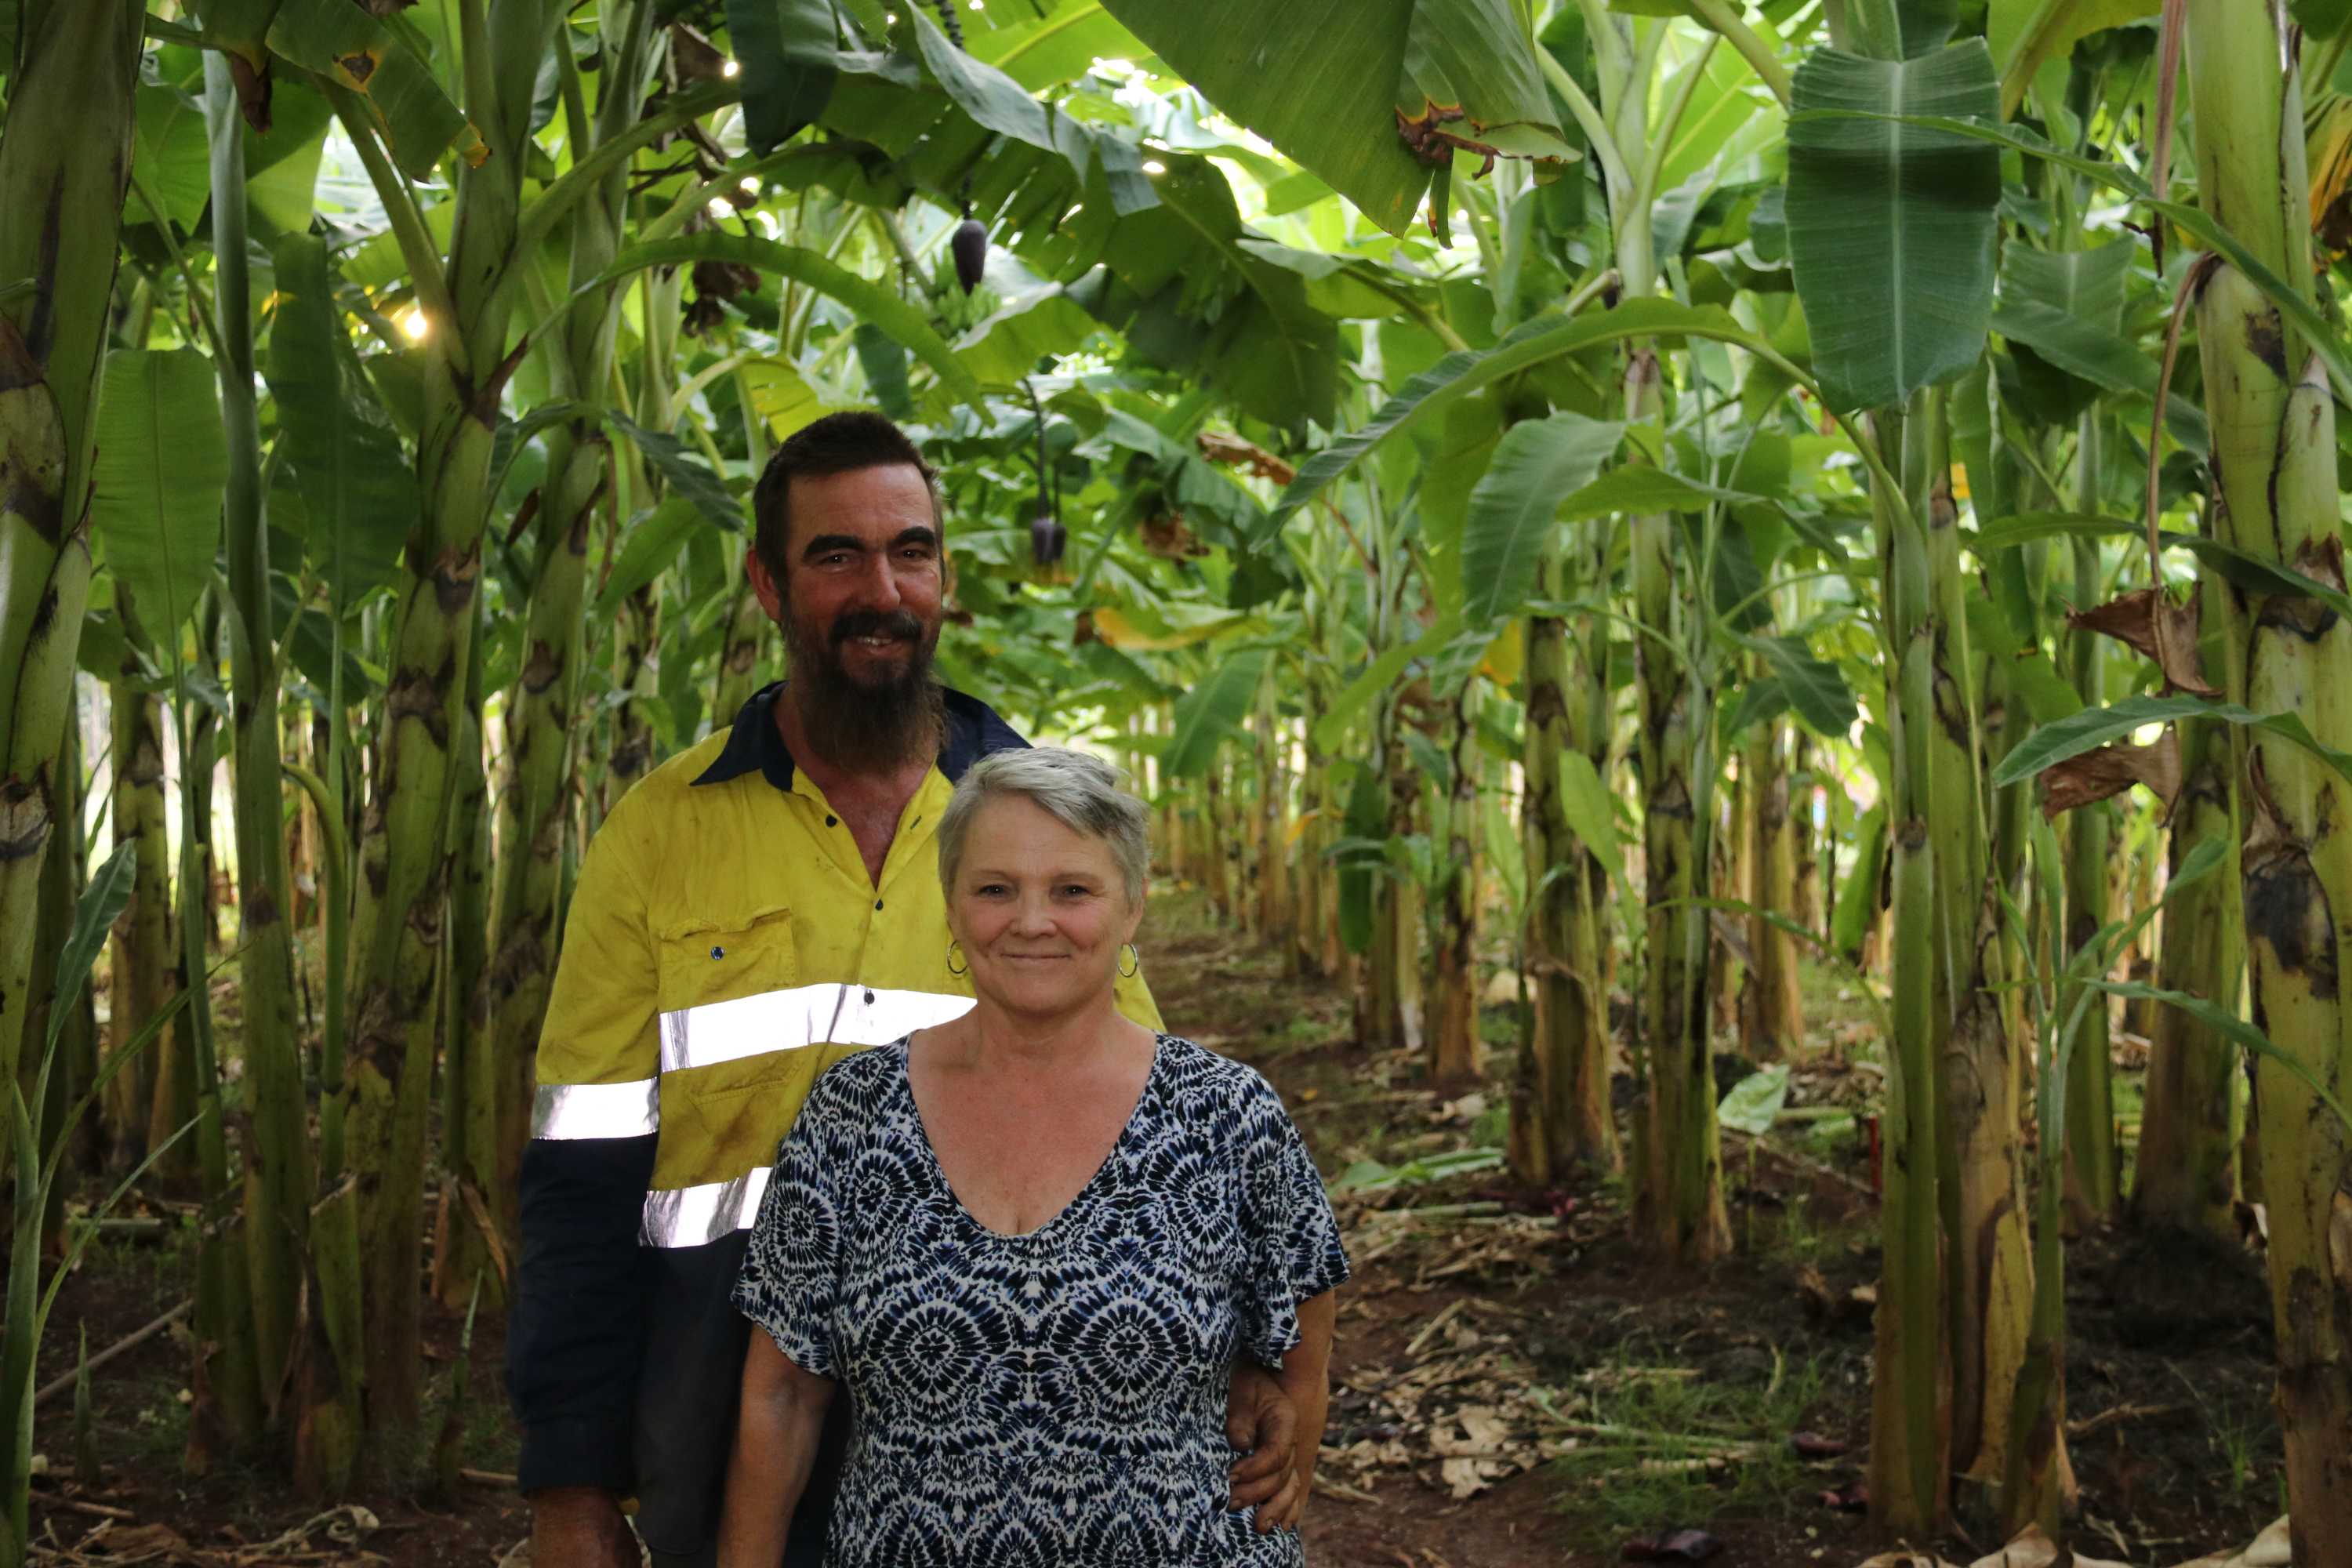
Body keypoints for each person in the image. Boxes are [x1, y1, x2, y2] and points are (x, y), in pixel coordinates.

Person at [511, 412, 1308, 1567]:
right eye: (836, 556)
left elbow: (1156, 1135)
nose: (880, 590)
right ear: (767, 585)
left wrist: (1245, 1352)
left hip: (1001, 1389)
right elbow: (581, 1174)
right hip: (718, 1368)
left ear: (942, 576)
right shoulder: (662, 833)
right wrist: (570, 1487)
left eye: (912, 552)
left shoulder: (1034, 825)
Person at [717, 747, 1348, 1566]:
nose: (1031, 920)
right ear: (950, 905)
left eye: (1073, 889)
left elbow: (1305, 1328)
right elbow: (783, 1391)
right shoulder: (852, 1114)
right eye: (995, 888)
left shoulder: (1227, 1114)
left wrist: (1285, 1454)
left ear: (1131, 909)